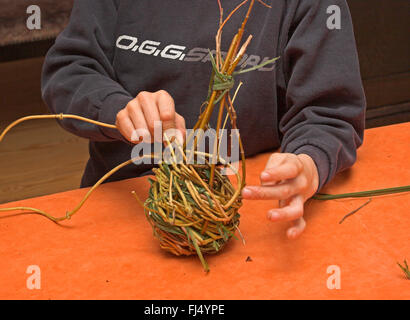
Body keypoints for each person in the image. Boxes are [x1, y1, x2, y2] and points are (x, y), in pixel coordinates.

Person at [41, 0, 366, 239]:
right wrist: (114, 108)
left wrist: (309, 160)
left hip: (248, 217)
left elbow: (328, 113)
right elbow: (70, 70)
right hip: (124, 205)